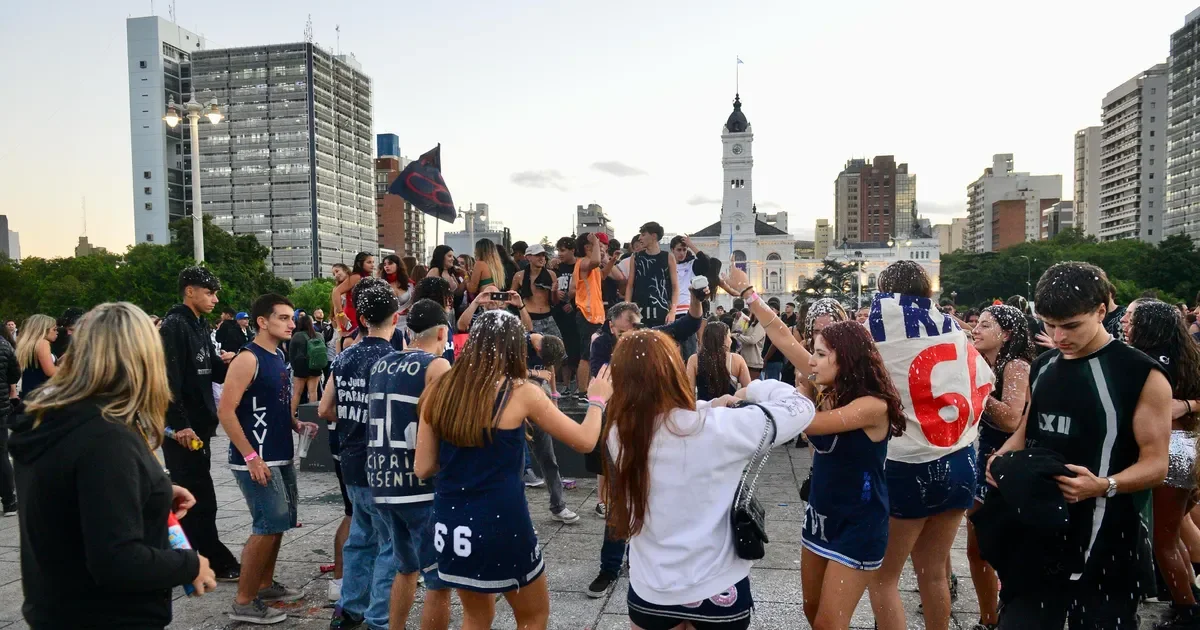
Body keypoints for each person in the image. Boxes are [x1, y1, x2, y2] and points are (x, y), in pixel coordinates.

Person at [986, 261, 1172, 629]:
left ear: (1101, 311)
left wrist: (1103, 485)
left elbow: (1156, 464)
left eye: (1071, 326)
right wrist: (1000, 461)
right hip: (1039, 531)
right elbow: (1027, 430)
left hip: (1108, 539)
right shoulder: (1043, 365)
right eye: (1048, 325)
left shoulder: (1139, 373)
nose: (1058, 337)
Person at [10, 302, 217, 629]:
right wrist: (190, 565)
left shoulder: (53, 416)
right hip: (108, 615)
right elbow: (118, 560)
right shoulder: (105, 435)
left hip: (57, 606)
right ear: (142, 357)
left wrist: (150, 490)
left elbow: (72, 496)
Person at [604, 329, 817, 630]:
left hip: (651, 586)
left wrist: (713, 404)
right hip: (718, 585)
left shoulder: (619, 434)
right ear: (674, 372)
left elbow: (666, 419)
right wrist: (752, 390)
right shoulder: (720, 429)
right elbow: (800, 408)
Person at [413, 309, 609, 628]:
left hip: (451, 527)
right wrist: (597, 401)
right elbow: (586, 441)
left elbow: (423, 467)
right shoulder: (520, 392)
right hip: (502, 526)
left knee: (476, 616)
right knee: (533, 616)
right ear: (515, 348)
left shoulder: (439, 389)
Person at [868, 260, 987, 630]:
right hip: (959, 457)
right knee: (934, 571)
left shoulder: (875, 330)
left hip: (908, 461)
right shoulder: (954, 329)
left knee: (882, 576)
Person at [585, 289, 706, 598]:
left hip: (654, 430)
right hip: (618, 431)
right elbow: (603, 379)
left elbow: (688, 324)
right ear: (612, 326)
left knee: (655, 496)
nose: (632, 335)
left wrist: (695, 299)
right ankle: (609, 567)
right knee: (618, 502)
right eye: (625, 330)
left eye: (636, 327)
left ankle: (644, 558)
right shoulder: (602, 344)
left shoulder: (647, 338)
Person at [798, 320, 907, 629]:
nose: (811, 361)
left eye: (820, 354)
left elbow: (812, 425)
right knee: (812, 609)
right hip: (820, 516)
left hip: (859, 522)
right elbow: (783, 340)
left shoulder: (873, 405)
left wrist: (801, 394)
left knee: (829, 623)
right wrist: (750, 298)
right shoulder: (828, 392)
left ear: (846, 358)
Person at [218, 293, 317, 624]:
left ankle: (264, 584)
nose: (291, 324)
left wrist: (295, 424)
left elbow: (275, 401)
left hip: (279, 453)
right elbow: (226, 411)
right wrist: (251, 456)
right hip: (256, 458)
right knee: (266, 524)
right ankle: (244, 601)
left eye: (292, 318)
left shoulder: (278, 354)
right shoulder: (247, 359)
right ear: (262, 322)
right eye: (283, 318)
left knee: (280, 523)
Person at [318, 278, 405, 629]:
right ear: (395, 318)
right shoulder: (394, 361)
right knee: (390, 545)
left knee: (360, 538)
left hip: (352, 459)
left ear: (363, 318)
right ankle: (378, 618)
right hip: (384, 465)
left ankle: (349, 609)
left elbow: (325, 409)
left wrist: (353, 417)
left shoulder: (345, 356)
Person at [366, 299, 454, 630]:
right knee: (438, 580)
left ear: (408, 332)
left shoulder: (381, 364)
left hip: (383, 482)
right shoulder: (437, 366)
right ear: (442, 333)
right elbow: (446, 426)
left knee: (405, 569)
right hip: (419, 486)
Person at [159, 267, 241, 583]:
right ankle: (205, 560)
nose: (215, 299)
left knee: (201, 498)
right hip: (183, 431)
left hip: (201, 427)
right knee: (196, 499)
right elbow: (169, 382)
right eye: (209, 292)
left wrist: (236, 364)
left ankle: (192, 559)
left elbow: (210, 370)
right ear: (189, 291)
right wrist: (180, 425)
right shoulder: (174, 326)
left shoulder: (199, 324)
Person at [1123, 299, 1200, 626]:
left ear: (1148, 327)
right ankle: (1189, 599)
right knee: (1172, 535)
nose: (1126, 324)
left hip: (1169, 451)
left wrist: (1183, 406)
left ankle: (1188, 613)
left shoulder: (1147, 363)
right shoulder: (1185, 357)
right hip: (1187, 447)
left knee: (1163, 541)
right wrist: (1189, 405)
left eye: (1132, 320)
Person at [966, 305, 1034, 629]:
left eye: (985, 325)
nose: (975, 330)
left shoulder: (1016, 365)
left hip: (1009, 464)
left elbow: (1010, 419)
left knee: (999, 546)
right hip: (986, 458)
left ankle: (1006, 614)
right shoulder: (984, 362)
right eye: (976, 324)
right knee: (976, 548)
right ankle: (988, 619)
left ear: (1005, 334)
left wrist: (977, 389)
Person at [574, 232, 616, 396]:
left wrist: (612, 261)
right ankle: (582, 392)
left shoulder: (592, 266)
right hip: (587, 313)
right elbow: (596, 261)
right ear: (587, 247)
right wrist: (595, 242)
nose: (601, 247)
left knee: (592, 351)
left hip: (596, 314)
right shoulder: (583, 262)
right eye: (596, 244)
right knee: (586, 354)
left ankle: (589, 388)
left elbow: (602, 275)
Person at [625, 221, 678, 327]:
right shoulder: (635, 257)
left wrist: (673, 311)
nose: (640, 238)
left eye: (643, 235)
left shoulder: (668, 257)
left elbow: (675, 287)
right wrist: (627, 309)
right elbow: (630, 286)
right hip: (639, 312)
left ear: (653, 236)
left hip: (662, 311)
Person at [686, 320, 750, 400]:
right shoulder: (737, 360)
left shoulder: (694, 359)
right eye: (729, 337)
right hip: (729, 407)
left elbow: (689, 392)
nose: (731, 340)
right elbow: (749, 391)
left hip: (704, 407)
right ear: (722, 339)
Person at [551, 237, 580, 395]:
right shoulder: (557, 268)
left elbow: (586, 289)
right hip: (559, 313)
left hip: (576, 314)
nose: (560, 254)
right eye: (558, 250)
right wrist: (555, 293)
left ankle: (580, 386)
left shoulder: (580, 266)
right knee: (563, 350)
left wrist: (573, 304)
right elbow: (552, 293)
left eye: (563, 250)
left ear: (572, 250)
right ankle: (566, 385)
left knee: (577, 351)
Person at [514, 243, 562, 338]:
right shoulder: (519, 276)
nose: (541, 258)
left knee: (557, 345)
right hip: (529, 318)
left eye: (543, 255)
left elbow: (555, 302)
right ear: (528, 257)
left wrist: (554, 291)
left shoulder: (551, 274)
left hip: (548, 318)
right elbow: (512, 296)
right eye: (537, 255)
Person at [332, 252, 375, 347]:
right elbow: (336, 292)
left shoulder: (368, 277)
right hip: (352, 316)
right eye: (369, 262)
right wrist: (341, 314)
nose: (372, 265)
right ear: (360, 264)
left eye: (373, 262)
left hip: (363, 316)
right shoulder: (356, 277)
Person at [288, 314, 323, 420]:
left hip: (300, 367)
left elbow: (291, 353)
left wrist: (294, 367)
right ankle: (313, 417)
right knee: (313, 392)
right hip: (315, 367)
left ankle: (291, 416)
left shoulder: (296, 336)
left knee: (297, 393)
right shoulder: (318, 335)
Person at [15, 314, 56, 398]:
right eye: (54, 329)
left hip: (29, 390)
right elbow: (50, 371)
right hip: (42, 392)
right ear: (44, 330)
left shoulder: (27, 344)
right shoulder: (42, 343)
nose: (57, 332)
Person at [0, 326, 18, 517]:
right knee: (1, 454)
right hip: (1, 406)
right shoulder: (4, 345)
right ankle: (9, 502)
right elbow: (15, 374)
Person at [381, 253, 415, 329]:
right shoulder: (381, 285)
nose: (386, 266)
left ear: (398, 265)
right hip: (388, 324)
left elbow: (415, 301)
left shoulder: (410, 284)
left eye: (390, 263)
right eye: (384, 264)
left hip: (408, 323)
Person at [733, 309, 765, 380]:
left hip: (753, 362)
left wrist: (737, 335)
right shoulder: (750, 322)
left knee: (751, 384)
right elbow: (738, 330)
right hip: (745, 359)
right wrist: (736, 320)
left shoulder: (761, 324)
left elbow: (753, 340)